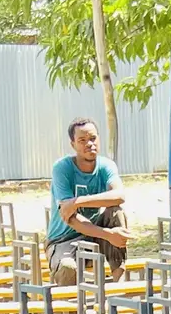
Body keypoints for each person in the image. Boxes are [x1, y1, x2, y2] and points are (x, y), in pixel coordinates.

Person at [48, 116, 128, 283]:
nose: (89, 144)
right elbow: (71, 218)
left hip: (94, 236)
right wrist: (108, 234)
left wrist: (78, 201)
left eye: (93, 138)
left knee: (115, 212)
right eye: (82, 140)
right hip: (64, 240)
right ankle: (71, 309)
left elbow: (119, 196)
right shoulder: (62, 168)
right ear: (73, 144)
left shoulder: (106, 166)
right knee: (68, 269)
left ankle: (118, 285)